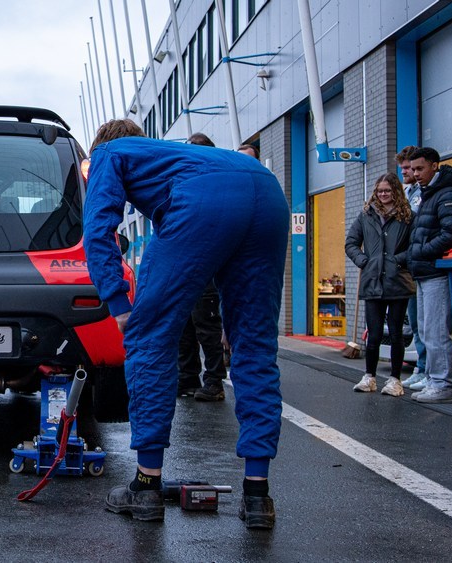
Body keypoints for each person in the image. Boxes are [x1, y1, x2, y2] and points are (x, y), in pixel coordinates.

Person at [83, 119, 289, 529]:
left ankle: (146, 486)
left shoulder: (110, 152)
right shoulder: (178, 156)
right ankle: (257, 495)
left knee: (150, 338)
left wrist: (119, 304)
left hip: (202, 200)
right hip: (267, 190)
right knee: (255, 346)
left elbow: (97, 230)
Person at [345, 173, 415, 397]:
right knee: (373, 334)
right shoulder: (366, 215)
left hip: (398, 281)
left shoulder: (408, 216)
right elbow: (351, 243)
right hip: (372, 280)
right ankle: (369, 377)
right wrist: (363, 261)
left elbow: (414, 246)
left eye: (387, 190)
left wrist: (398, 260)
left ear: (396, 191)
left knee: (396, 333)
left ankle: (395, 380)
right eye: (379, 191)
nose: (383, 194)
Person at [406, 147, 452, 404]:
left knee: (436, 330)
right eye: (413, 169)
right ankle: (433, 380)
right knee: (426, 331)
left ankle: (443, 385)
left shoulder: (447, 194)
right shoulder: (427, 194)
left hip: (436, 272)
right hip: (424, 272)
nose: (416, 174)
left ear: (434, 166)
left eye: (420, 168)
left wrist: (420, 252)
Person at [176, 132, 227, 401]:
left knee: (206, 328)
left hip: (205, 267)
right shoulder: (189, 181)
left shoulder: (216, 184)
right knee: (185, 328)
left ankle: (215, 382)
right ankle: (188, 379)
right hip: (186, 267)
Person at [395, 146, 429, 389]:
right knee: (416, 322)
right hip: (408, 266)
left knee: (425, 323)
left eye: (409, 168)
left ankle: (427, 369)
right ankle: (422, 367)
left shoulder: (421, 195)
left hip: (420, 264)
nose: (406, 172)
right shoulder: (406, 192)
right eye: (404, 169)